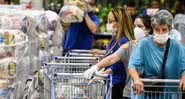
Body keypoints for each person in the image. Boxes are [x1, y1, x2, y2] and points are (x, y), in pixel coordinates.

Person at [84, 14, 152, 99]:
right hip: (130, 92)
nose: (136, 29)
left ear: (149, 29)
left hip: (151, 92)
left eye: (140, 26)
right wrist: (96, 67)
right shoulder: (130, 45)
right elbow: (112, 58)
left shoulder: (155, 45)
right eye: (135, 26)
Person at [128, 10, 185, 98]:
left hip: (169, 95)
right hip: (148, 94)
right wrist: (136, 79)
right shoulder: (144, 44)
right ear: (153, 29)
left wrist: (184, 77)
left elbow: (183, 66)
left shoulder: (177, 47)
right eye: (157, 29)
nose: (160, 33)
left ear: (170, 29)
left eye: (164, 29)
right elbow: (132, 65)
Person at [84, 6, 135, 99]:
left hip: (118, 84)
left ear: (120, 22)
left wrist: (100, 73)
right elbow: (111, 53)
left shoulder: (124, 41)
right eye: (107, 20)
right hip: (112, 81)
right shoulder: (116, 38)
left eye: (110, 21)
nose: (108, 23)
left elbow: (117, 64)